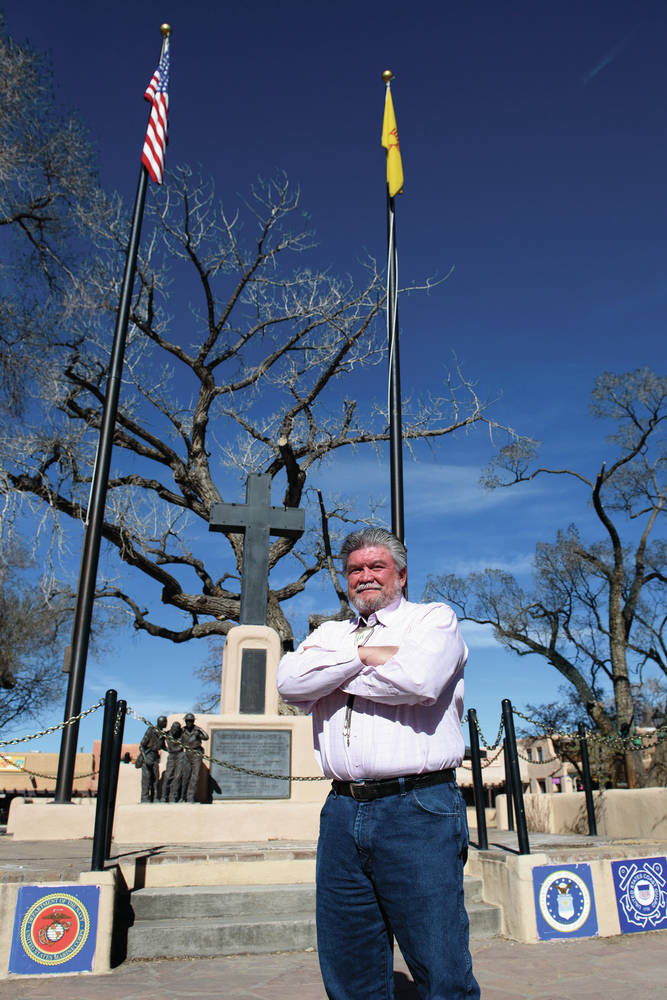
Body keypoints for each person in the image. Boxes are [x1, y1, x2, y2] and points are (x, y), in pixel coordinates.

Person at [277, 527, 480, 1000]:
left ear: (402, 575)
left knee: (440, 967)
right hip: (343, 812)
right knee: (350, 971)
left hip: (419, 808)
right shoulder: (329, 632)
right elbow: (289, 681)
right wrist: (365, 655)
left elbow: (418, 680)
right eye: (355, 569)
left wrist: (329, 675)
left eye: (376, 567)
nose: (365, 576)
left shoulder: (433, 620)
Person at [179, 712, 209, 803]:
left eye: (191, 721)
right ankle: (182, 796)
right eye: (187, 721)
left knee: (195, 777)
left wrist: (201, 729)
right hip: (187, 754)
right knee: (185, 776)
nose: (189, 722)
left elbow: (206, 737)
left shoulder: (196, 731)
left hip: (196, 753)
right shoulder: (182, 731)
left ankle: (190, 797)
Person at [139, 715, 167, 803]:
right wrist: (145, 758)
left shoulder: (162, 734)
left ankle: (154, 797)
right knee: (146, 778)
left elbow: (163, 746)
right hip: (148, 755)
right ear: (161, 722)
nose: (166, 723)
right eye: (165, 722)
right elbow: (141, 746)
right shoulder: (151, 731)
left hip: (155, 757)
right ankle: (144, 798)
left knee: (155, 779)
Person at [162, 720, 184, 802]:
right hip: (171, 755)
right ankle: (164, 796)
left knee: (177, 776)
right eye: (174, 729)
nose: (175, 731)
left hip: (180, 755)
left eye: (177, 729)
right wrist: (167, 749)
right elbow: (160, 744)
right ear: (171, 728)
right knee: (168, 776)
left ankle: (173, 796)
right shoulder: (166, 734)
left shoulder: (182, 733)